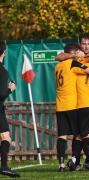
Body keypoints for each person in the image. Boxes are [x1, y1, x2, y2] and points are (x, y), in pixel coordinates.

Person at [55, 44, 89, 172]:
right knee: (82, 134)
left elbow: (58, 57)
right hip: (73, 105)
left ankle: (62, 165)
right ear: (73, 52)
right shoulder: (72, 64)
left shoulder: (57, 66)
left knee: (62, 136)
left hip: (60, 105)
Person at [0, 40, 20, 177]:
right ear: (4, 52)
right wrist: (10, 89)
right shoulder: (2, 71)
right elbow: (1, 95)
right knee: (6, 137)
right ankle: (5, 167)